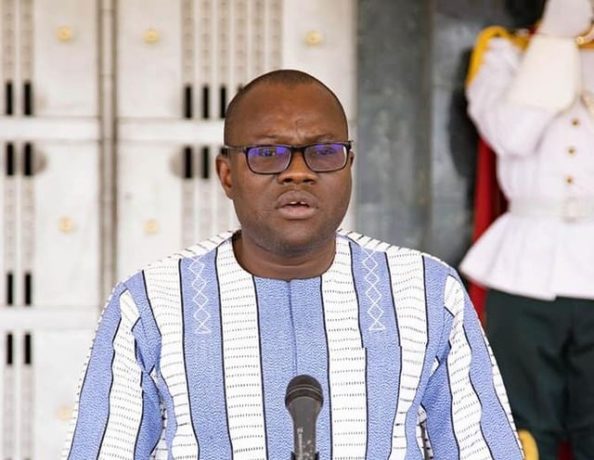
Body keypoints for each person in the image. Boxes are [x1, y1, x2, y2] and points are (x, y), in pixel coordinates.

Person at [63, 70, 522, 459]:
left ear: (349, 166)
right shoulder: (152, 301)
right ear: (227, 174)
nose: (298, 172)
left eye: (324, 152)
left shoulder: (424, 291)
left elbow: (483, 448)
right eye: (268, 154)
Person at [461, 0, 594, 458]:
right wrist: (554, 42)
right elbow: (510, 135)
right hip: (526, 264)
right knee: (521, 427)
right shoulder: (505, 53)